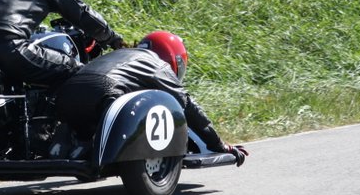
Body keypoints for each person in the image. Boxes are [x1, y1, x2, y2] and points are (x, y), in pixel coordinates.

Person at [54, 31, 249, 165]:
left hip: (66, 93)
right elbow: (186, 104)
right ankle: (91, 147)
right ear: (173, 58)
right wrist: (218, 144)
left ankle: (73, 141)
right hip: (104, 93)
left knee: (85, 117)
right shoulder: (156, 63)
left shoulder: (120, 55)